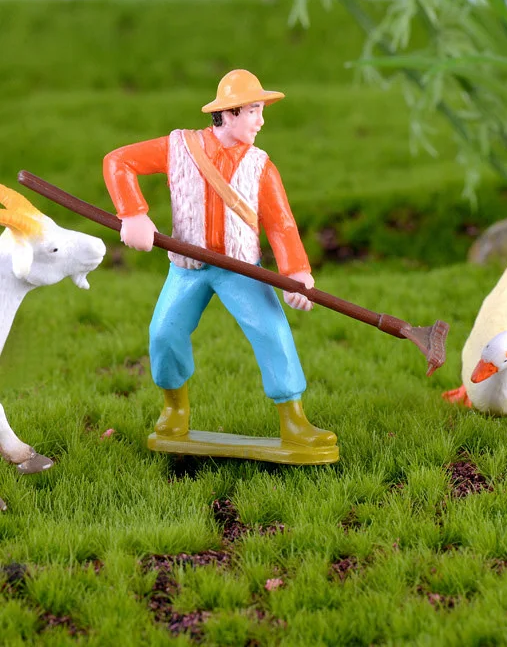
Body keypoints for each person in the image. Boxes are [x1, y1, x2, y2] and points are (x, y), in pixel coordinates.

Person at [102, 68, 335, 459]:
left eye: (261, 111)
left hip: (240, 269)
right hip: (186, 268)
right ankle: (174, 408)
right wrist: (133, 214)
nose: (260, 121)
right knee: (163, 333)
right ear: (229, 113)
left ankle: (294, 420)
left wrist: (296, 272)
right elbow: (118, 161)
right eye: (254, 111)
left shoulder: (261, 165)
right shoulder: (180, 147)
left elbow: (280, 223)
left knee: (272, 332)